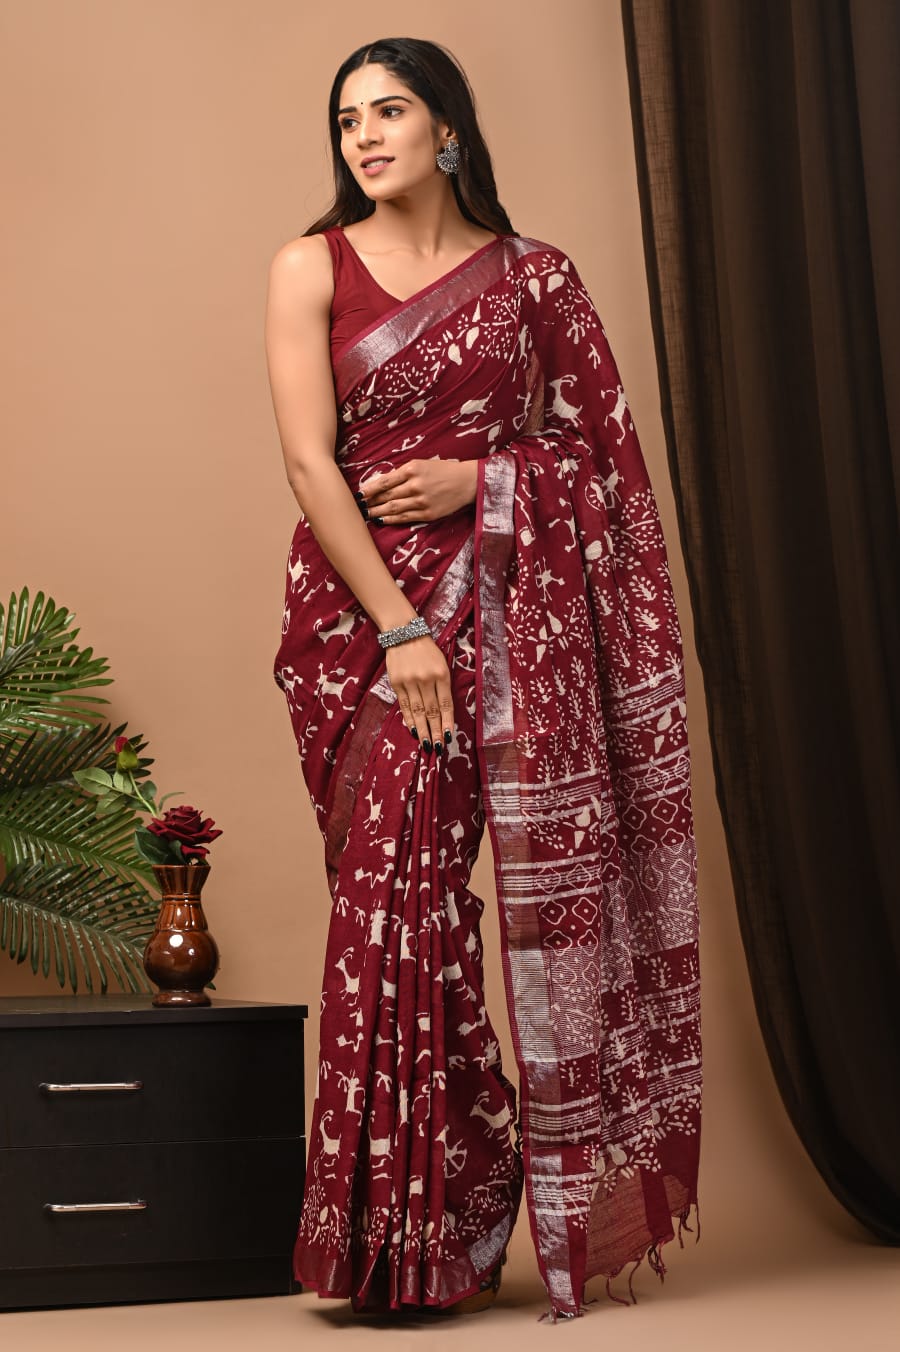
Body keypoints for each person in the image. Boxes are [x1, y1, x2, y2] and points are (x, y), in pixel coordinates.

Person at [266, 36, 701, 1322]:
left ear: (447, 129)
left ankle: (451, 1224)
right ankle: (397, 1236)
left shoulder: (534, 278)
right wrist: (402, 628)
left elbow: (609, 464)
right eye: (348, 117)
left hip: (512, 624)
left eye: (390, 111)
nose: (364, 135)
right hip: (366, 624)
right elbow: (310, 463)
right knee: (391, 901)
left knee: (433, 911)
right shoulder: (309, 265)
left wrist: (484, 480)